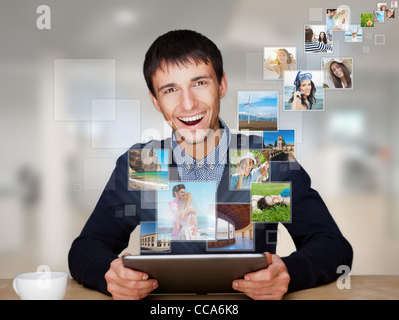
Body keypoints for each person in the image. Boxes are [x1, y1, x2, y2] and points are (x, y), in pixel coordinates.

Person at [68, 29, 353, 300]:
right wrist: (110, 273)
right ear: (155, 101)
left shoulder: (269, 158)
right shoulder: (144, 164)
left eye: (199, 83)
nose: (188, 104)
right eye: (170, 90)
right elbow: (85, 249)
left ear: (222, 85)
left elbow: (333, 245)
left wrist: (290, 273)